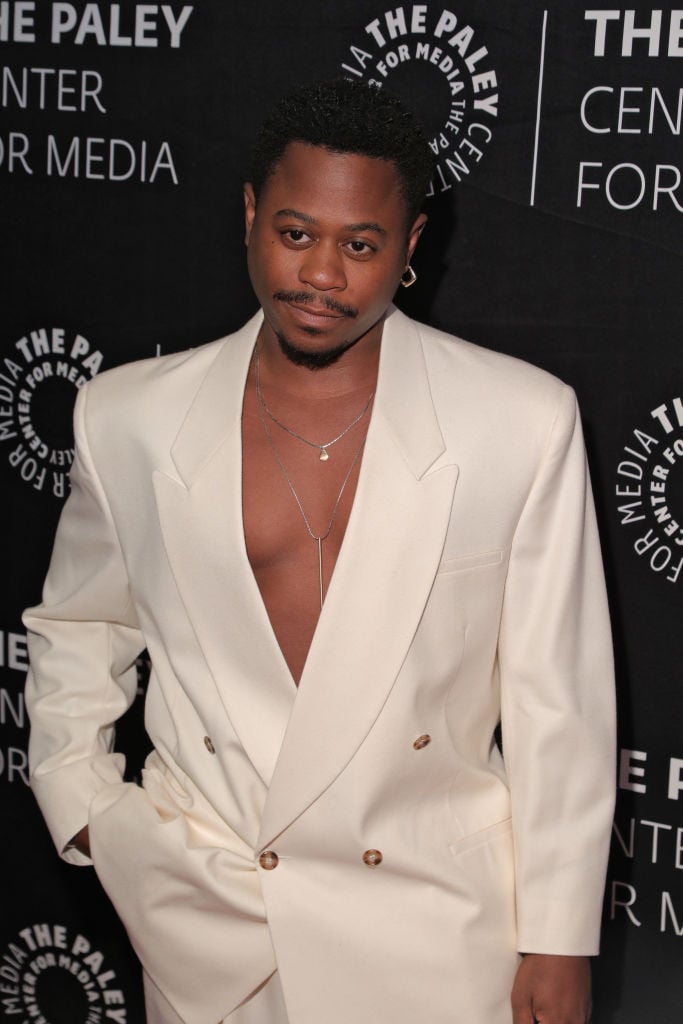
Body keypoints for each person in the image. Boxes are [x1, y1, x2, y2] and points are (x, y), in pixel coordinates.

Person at [24, 79, 616, 1024]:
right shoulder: (128, 417)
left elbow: (558, 702)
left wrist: (556, 935)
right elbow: (79, 628)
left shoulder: (519, 420)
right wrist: (87, 808)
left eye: (361, 245)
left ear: (411, 248)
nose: (322, 277)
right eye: (296, 234)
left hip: (434, 930)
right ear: (252, 216)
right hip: (210, 929)